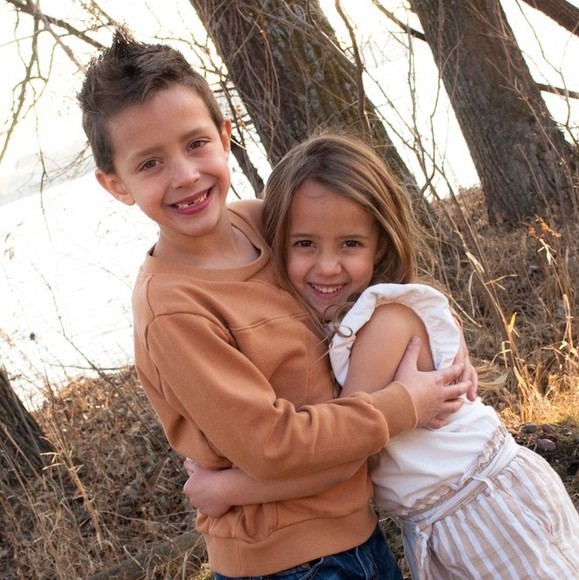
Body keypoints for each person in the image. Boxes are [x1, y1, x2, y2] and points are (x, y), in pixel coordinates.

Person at [77, 33, 474, 579]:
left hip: (357, 531)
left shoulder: (267, 221)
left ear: (225, 136)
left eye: (196, 143)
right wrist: (405, 404)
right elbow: (274, 445)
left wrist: (441, 336)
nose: (185, 175)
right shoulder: (173, 310)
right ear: (116, 185)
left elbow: (374, 278)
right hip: (284, 562)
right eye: (149, 163)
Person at [183, 133, 579, 579]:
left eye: (350, 244)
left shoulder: (384, 324)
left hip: (481, 510)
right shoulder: (354, 320)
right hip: (441, 518)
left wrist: (226, 488)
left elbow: (345, 452)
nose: (327, 266)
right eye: (305, 243)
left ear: (381, 246)